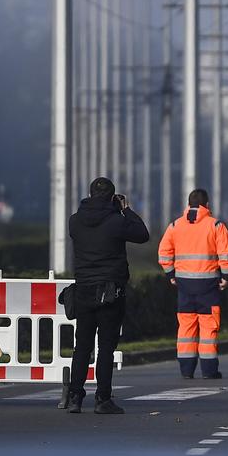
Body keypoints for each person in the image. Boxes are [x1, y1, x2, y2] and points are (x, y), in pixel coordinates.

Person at [67, 177, 150, 414]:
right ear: (112, 197)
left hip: (83, 290)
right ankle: (102, 399)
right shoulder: (116, 222)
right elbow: (142, 234)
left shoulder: (75, 221)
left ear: (90, 194)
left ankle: (75, 397)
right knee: (105, 348)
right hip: (110, 292)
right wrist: (126, 210)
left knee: (81, 347)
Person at [158, 188, 228, 380]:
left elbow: (164, 253)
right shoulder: (216, 225)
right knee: (208, 328)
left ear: (188, 204)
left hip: (183, 285)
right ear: (206, 205)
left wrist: (170, 274)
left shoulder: (175, 226)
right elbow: (225, 255)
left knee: (186, 328)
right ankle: (209, 371)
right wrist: (226, 277)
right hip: (208, 285)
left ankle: (186, 370)